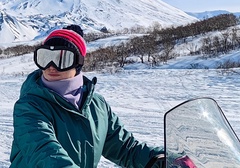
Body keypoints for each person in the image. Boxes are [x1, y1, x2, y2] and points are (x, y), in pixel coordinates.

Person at [10, 24, 165, 168]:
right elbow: (45, 154)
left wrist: (165, 159)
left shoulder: (97, 105)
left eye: (62, 59)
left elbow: (126, 149)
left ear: (78, 63)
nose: (51, 66)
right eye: (45, 57)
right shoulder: (29, 105)